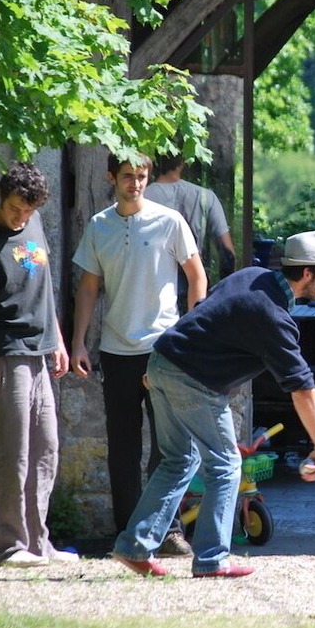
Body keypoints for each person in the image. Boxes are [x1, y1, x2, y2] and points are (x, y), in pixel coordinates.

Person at [111, 231, 315, 577]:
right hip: (190, 379)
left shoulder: (251, 277)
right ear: (307, 273)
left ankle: (135, 546)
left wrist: (161, 372)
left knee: (178, 461)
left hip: (162, 362)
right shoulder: (273, 316)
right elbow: (303, 388)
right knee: (225, 465)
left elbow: (201, 314)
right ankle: (210, 560)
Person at [71, 154, 206, 556]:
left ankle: (167, 531)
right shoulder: (99, 225)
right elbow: (89, 287)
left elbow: (196, 275)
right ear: (111, 177)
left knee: (169, 448)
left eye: (142, 176)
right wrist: (78, 342)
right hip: (116, 350)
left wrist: (191, 334)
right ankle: (128, 533)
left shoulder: (170, 221)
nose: (136, 183)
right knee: (123, 448)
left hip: (162, 349)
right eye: (128, 176)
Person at [0, 163, 75, 568]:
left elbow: (43, 287)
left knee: (45, 449)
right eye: (14, 209)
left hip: (39, 352)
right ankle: (6, 546)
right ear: (1, 196)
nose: (20, 218)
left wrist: (57, 339)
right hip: (3, 355)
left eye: (27, 210)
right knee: (11, 451)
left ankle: (38, 543)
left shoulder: (32, 220)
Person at [144, 155, 236, 310]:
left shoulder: (143, 198)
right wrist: (223, 295)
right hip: (198, 292)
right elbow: (228, 254)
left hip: (154, 292)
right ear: (182, 163)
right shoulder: (206, 197)